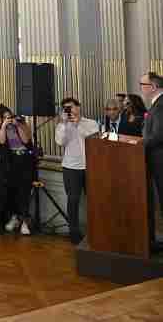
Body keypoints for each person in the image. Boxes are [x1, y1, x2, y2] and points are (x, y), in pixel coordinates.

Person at [54, 97, 97, 244]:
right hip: (71, 168)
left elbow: (92, 138)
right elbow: (60, 142)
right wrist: (64, 124)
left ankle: (96, 230)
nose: (69, 110)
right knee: (73, 200)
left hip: (90, 166)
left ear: (78, 107)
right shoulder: (62, 125)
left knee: (93, 200)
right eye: (66, 108)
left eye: (71, 107)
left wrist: (78, 123)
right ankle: (74, 232)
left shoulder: (91, 123)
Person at [0, 107, 36, 235]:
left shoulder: (22, 125)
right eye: (6, 117)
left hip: (24, 162)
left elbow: (26, 140)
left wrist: (17, 125)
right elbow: (1, 141)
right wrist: (3, 126)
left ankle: (25, 221)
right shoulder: (1, 129)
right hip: (10, 164)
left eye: (10, 116)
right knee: (11, 192)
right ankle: (14, 218)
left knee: (24, 193)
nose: (9, 119)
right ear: (2, 119)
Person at [140, 72, 163, 230]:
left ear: (153, 87)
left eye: (143, 84)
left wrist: (138, 143)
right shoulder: (157, 104)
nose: (141, 88)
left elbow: (158, 135)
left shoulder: (160, 105)